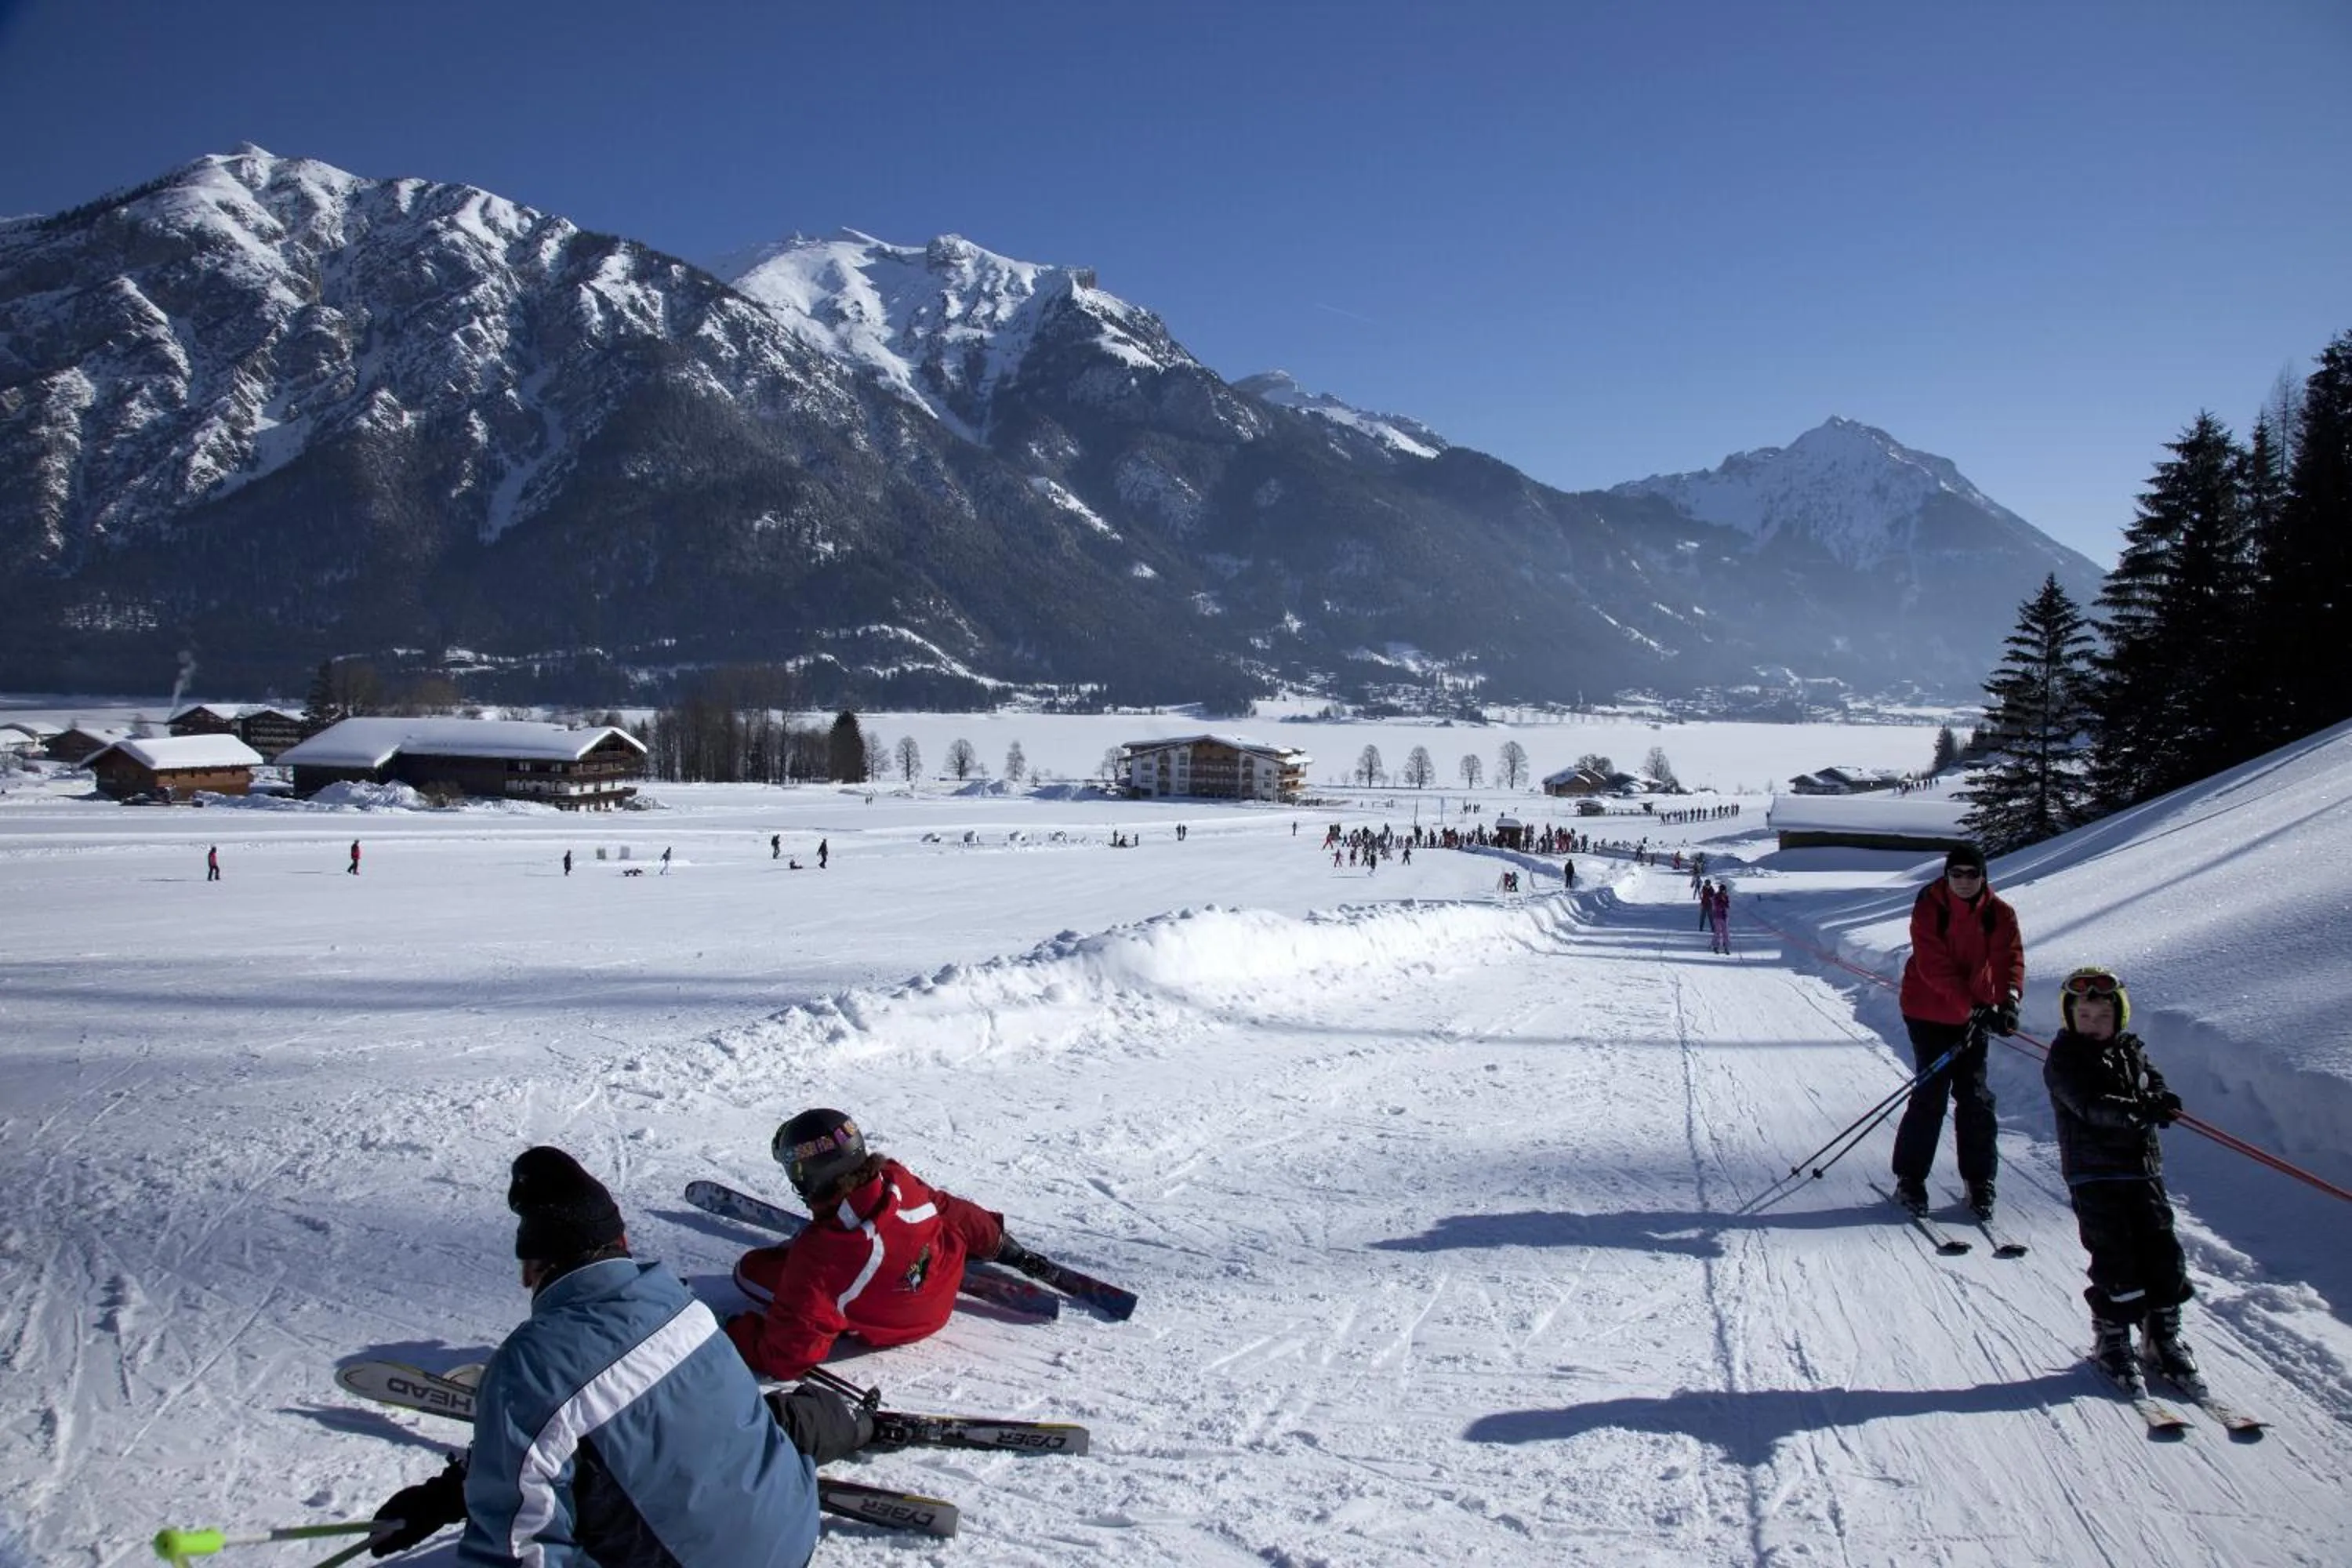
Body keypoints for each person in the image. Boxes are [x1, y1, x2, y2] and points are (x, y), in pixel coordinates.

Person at [366, 1146, 869, 1566]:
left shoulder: (529, 1367)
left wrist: (478, 1498)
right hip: (795, 1538)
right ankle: (846, 1422)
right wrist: (455, 1492)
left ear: (530, 1270)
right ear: (621, 1242)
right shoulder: (681, 1302)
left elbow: (518, 1552)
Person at [725, 1109, 1009, 1381]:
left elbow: (787, 1357)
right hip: (940, 1292)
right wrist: (997, 1241)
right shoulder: (897, 1178)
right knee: (926, 1223)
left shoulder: (822, 1254)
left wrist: (734, 1331)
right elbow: (950, 1208)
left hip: (897, 1325)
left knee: (749, 1273)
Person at [2043, 967, 2195, 1392]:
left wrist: (2160, 1099)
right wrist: (2133, 1111)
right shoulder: (2065, 1058)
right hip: (2094, 1174)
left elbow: (2151, 1080)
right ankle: (2112, 1339)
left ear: (2120, 1017)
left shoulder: (2131, 1050)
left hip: (2142, 1169)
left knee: (2162, 1252)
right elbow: (2088, 1105)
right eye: (2085, 1017)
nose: (2094, 1025)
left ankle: (2161, 1336)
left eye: (2103, 1017)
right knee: (2116, 1259)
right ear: (2070, 1018)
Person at [1890, 843, 2024, 1218]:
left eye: (1972, 874)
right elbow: (1933, 966)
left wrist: (2009, 1002)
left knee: (1976, 1098)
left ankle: (1980, 1180)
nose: (1964, 881)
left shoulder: (1999, 914)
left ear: (1984, 877)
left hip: (1973, 1014)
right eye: (1957, 874)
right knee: (1931, 1094)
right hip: (1927, 1010)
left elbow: (2008, 957)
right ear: (1946, 876)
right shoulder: (1930, 907)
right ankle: (1910, 1178)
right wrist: (1976, 1008)